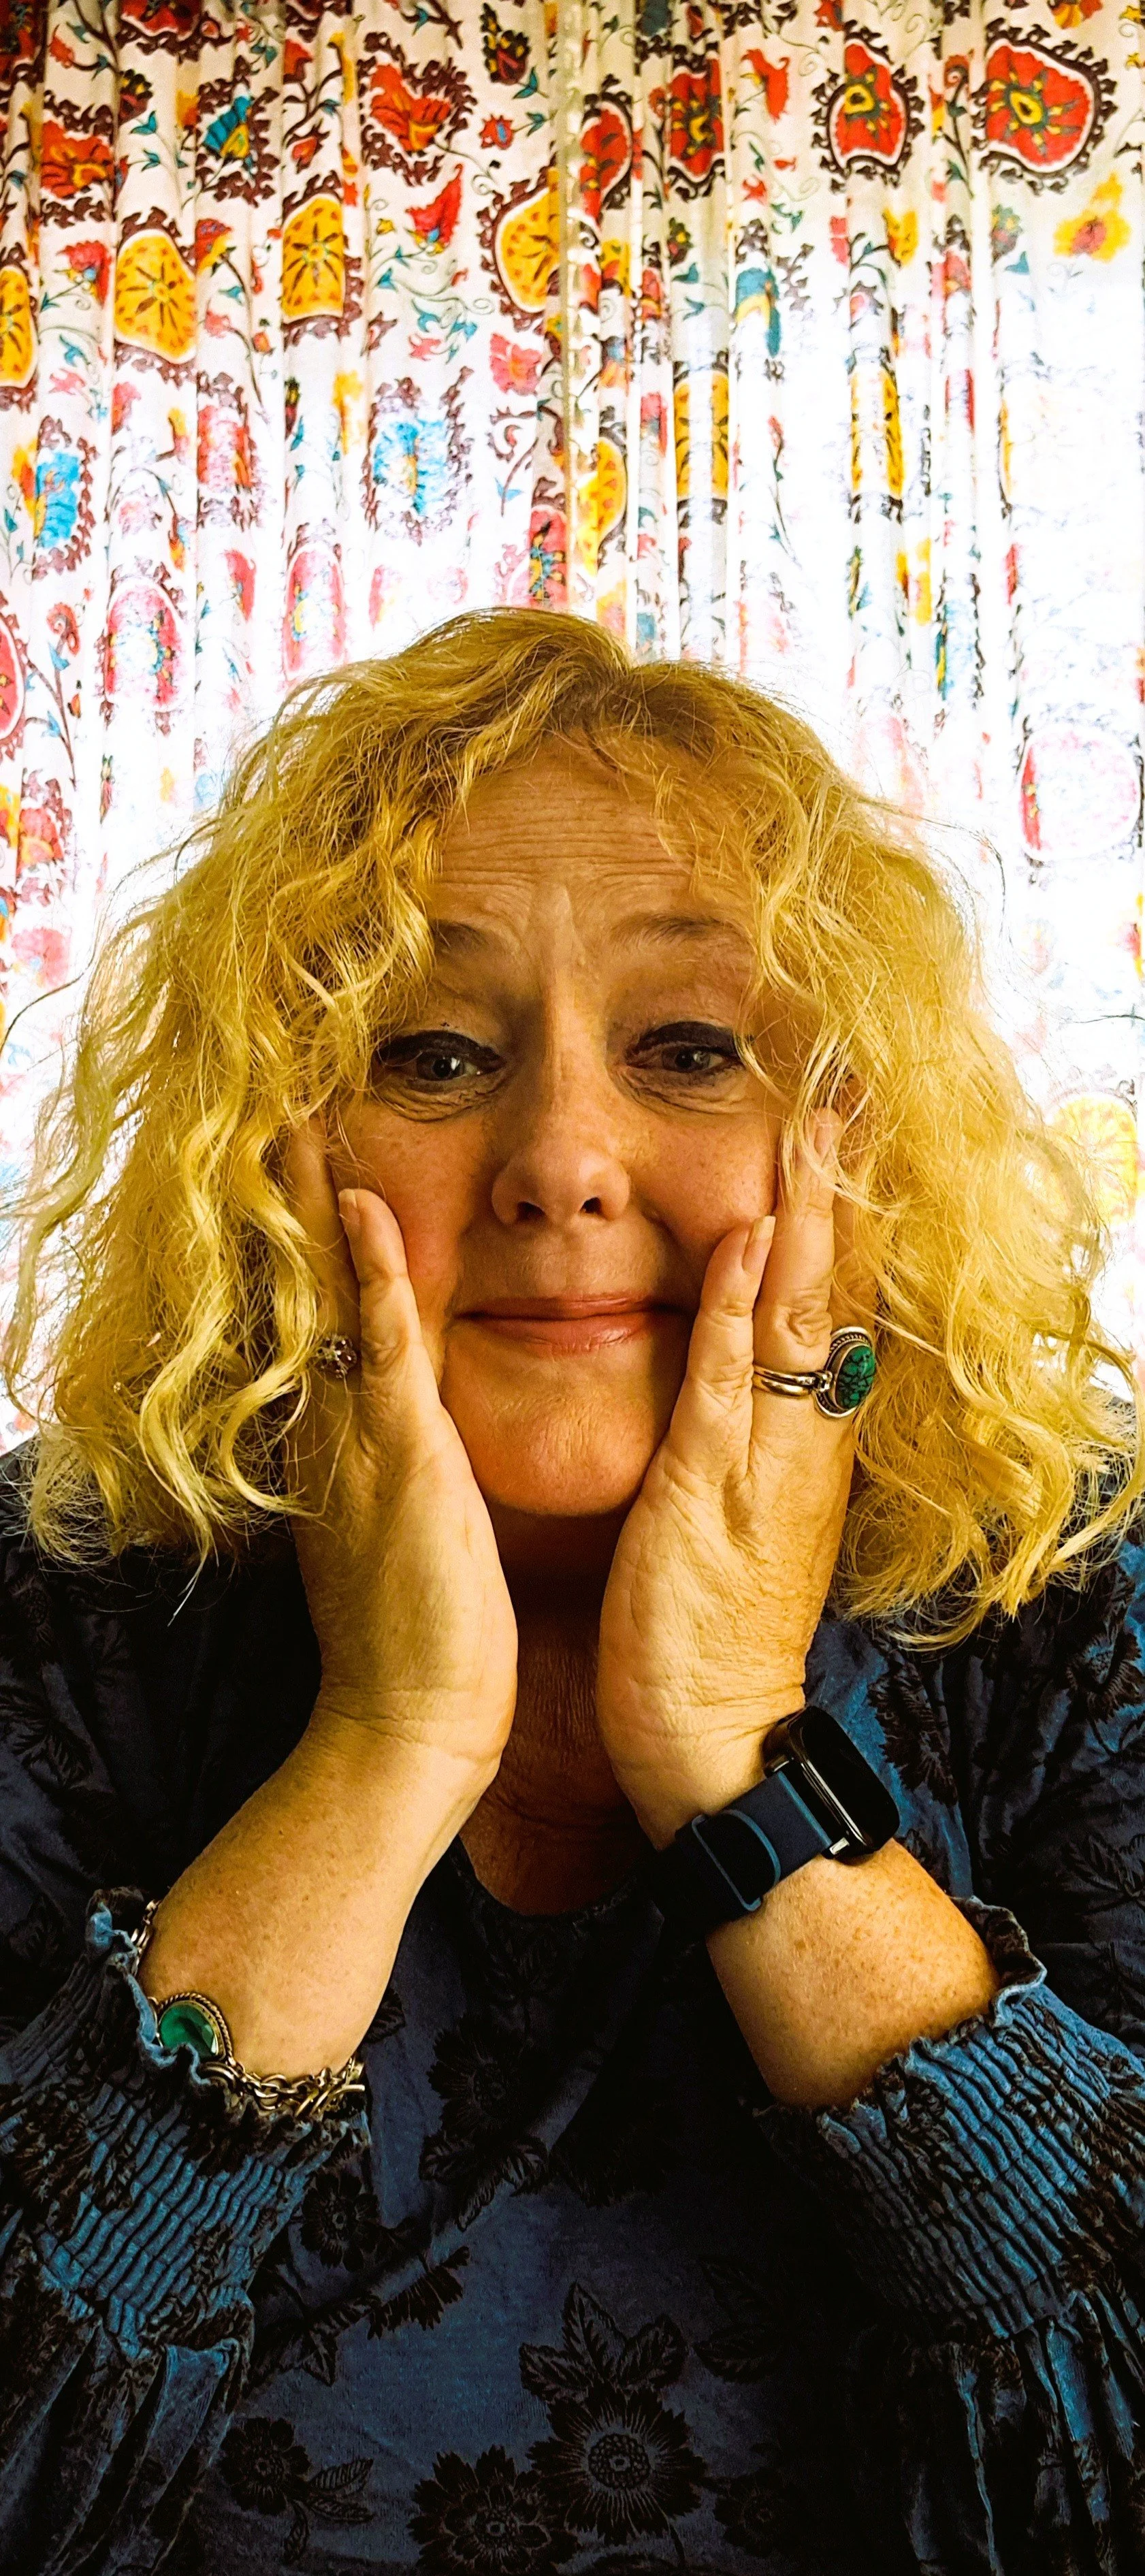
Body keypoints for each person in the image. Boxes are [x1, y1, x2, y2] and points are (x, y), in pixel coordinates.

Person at [1, 607, 1144, 2576]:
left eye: (690, 1051)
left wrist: (731, 1747)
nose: (562, 1164)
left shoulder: (1066, 1597)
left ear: (859, 1142)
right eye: (434, 1055)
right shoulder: (66, 1606)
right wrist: (380, 1747)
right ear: (266, 1149)